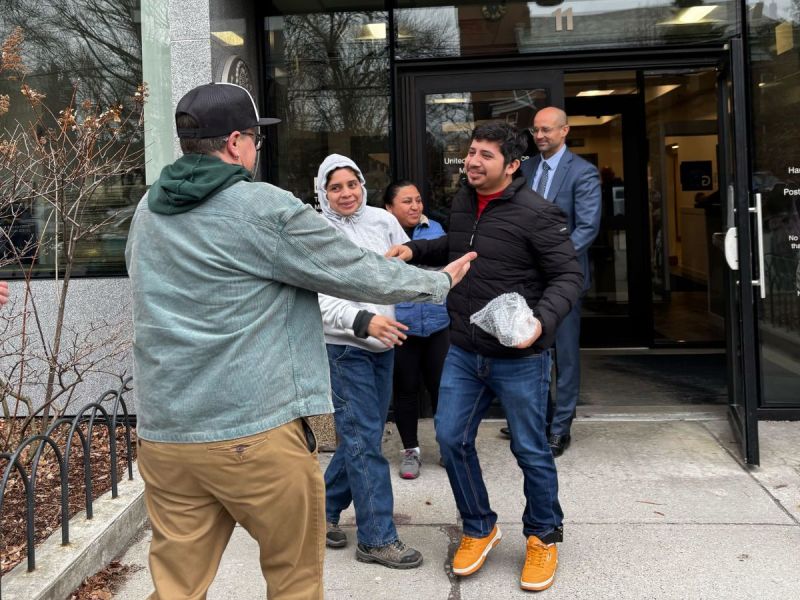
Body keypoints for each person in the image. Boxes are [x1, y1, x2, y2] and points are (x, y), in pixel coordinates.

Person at [125, 82, 475, 600]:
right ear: (237, 142)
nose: (256, 149)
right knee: (294, 582)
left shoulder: (148, 209)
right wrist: (438, 281)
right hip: (252, 435)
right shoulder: (262, 207)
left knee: (176, 587)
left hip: (165, 435)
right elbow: (353, 270)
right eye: (256, 140)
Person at [386, 122, 582, 592]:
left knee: (530, 450)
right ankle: (479, 526)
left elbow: (568, 276)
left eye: (485, 155)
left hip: (520, 357)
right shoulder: (463, 202)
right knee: (451, 440)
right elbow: (457, 246)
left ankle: (543, 536)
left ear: (512, 165)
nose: (472, 161)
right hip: (464, 350)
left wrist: (541, 323)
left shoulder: (538, 213)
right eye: (471, 151)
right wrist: (413, 249)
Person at [316, 156, 424, 569]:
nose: (346, 194)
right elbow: (316, 299)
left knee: (362, 437)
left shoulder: (383, 220)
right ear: (323, 192)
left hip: (385, 344)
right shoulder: (317, 231)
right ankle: (376, 539)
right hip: (345, 347)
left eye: (352, 184)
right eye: (335, 187)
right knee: (364, 441)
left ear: (362, 184)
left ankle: (320, 512)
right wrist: (364, 321)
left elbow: (400, 269)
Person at [518, 106, 601, 457]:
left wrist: (551, 259)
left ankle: (560, 428)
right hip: (527, 279)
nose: (539, 136)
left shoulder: (583, 172)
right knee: (531, 352)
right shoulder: (525, 169)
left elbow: (587, 228)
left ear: (564, 131)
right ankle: (539, 420)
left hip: (563, 278)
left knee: (564, 356)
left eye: (547, 130)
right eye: (535, 130)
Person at [384, 180, 450, 479]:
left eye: (418, 200)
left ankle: (448, 446)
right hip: (400, 326)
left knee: (442, 390)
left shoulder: (436, 230)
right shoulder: (382, 233)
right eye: (407, 201)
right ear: (389, 207)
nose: (415, 206)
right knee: (405, 391)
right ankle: (410, 451)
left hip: (438, 324)